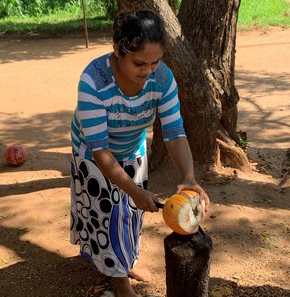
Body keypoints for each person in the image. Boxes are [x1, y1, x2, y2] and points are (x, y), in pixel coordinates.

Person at [69, 10, 210, 297]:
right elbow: (101, 151)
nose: (148, 71)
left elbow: (174, 132)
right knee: (106, 212)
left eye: (155, 62)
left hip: (133, 147)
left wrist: (189, 176)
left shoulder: (163, 79)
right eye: (139, 63)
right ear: (117, 51)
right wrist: (132, 189)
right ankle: (119, 282)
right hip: (93, 155)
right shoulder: (93, 82)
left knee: (132, 214)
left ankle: (125, 262)